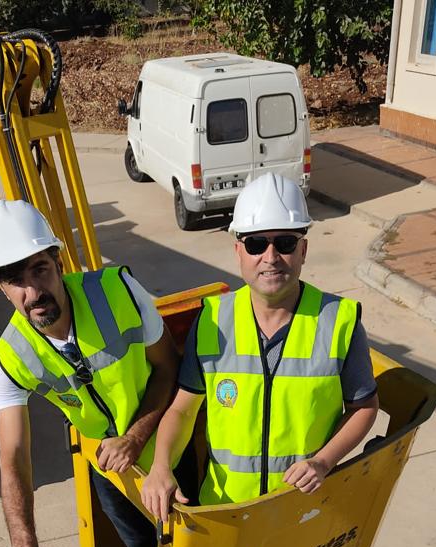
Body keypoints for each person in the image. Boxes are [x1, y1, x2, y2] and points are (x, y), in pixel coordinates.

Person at [0, 199, 179, 547]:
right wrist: (24, 545)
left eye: (40, 270)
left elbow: (168, 368)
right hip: (109, 466)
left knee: (181, 545)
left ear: (58, 261)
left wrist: (137, 436)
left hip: (165, 446)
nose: (33, 292)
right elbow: (12, 457)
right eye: (16, 280)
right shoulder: (10, 359)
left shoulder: (119, 290)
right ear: (0, 287)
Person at [141, 173, 379, 519]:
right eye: (256, 244)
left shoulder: (339, 321)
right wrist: (161, 466)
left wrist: (323, 462)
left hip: (303, 509)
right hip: (227, 510)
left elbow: (364, 407)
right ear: (238, 250)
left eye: (284, 242)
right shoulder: (211, 320)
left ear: (304, 250)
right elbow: (182, 410)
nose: (271, 256)